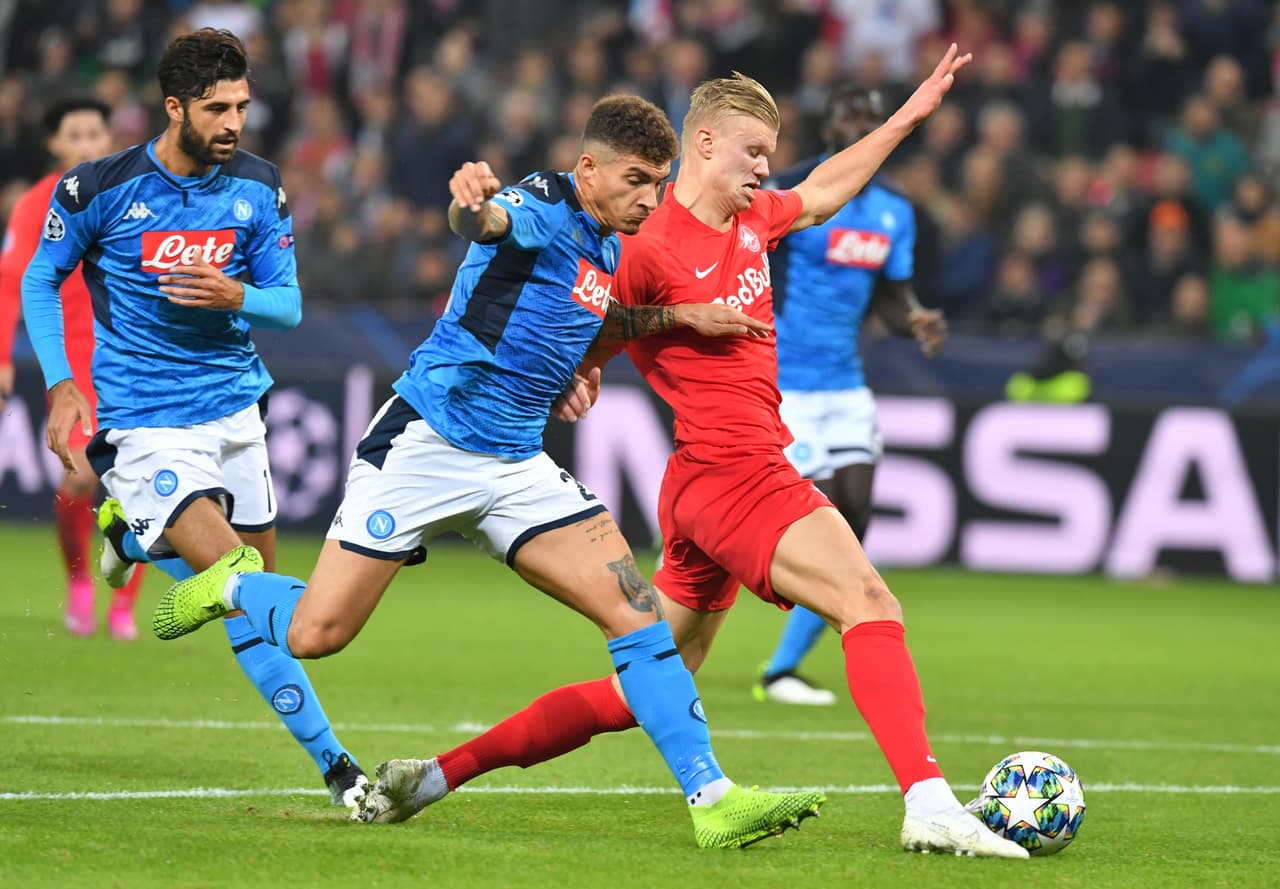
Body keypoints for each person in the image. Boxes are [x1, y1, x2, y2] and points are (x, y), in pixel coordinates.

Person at [358, 46, 1030, 860]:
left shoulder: (756, 220)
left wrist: (906, 120)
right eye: (754, 153)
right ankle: (927, 800)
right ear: (705, 144)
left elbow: (825, 190)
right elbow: (586, 320)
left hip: (703, 487)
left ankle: (431, 775)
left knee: (639, 689)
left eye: (771, 159)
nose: (765, 171)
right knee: (870, 600)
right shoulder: (644, 246)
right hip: (733, 469)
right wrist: (584, 369)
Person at [150, 93, 828, 849]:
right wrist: (470, 208)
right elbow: (488, 223)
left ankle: (713, 797)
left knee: (637, 611)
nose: (652, 198)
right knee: (315, 633)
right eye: (637, 179)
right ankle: (230, 582)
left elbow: (599, 317)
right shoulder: (542, 200)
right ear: (590, 167)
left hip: (514, 462)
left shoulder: (611, 241)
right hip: (428, 443)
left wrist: (673, 318)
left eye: (661, 183)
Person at [21, 28, 367, 810]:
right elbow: (43, 280)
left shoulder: (258, 185)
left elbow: (289, 304)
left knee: (253, 608)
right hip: (148, 421)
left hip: (237, 412)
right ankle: (345, 764)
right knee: (246, 582)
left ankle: (131, 537)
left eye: (242, 106)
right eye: (217, 108)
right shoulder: (97, 188)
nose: (235, 123)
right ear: (173, 106)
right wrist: (61, 382)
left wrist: (237, 294)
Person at [752, 84, 947, 706]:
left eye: (871, 118)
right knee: (824, 511)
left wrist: (913, 316)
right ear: (831, 122)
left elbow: (892, 293)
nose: (861, 125)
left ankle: (782, 667)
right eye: (851, 115)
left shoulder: (893, 211)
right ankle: (780, 667)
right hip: (787, 384)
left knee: (856, 513)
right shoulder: (791, 192)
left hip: (846, 385)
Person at [0, 97, 148, 639]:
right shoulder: (37, 204)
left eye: (95, 134)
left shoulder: (132, 194)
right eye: (75, 135)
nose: (87, 144)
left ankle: (125, 605)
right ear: (55, 145)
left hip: (135, 356)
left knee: (144, 481)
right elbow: (10, 280)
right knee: (81, 477)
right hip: (71, 361)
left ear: (108, 140)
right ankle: (82, 583)